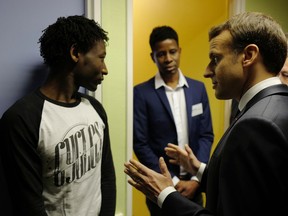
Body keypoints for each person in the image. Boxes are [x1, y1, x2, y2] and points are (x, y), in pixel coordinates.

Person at [125, 11, 288, 216]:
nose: (207, 71)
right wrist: (199, 169)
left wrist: (165, 194)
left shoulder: (257, 124)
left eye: (215, 59)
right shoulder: (278, 105)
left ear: (248, 56)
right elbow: (246, 191)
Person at [0, 15, 116, 216]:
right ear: (75, 53)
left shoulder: (95, 109)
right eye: (101, 57)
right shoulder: (21, 119)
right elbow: (28, 203)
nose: (105, 69)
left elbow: (106, 178)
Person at [133, 25, 214, 215]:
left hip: (195, 186)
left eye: (172, 52)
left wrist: (196, 180)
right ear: (152, 56)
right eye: (161, 54)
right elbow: (141, 144)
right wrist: (174, 182)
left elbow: (206, 135)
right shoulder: (141, 93)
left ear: (180, 51)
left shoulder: (198, 89)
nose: (168, 59)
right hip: (161, 187)